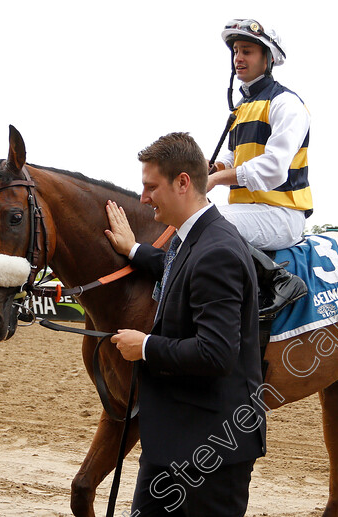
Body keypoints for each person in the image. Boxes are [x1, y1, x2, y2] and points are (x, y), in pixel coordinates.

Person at [105, 132, 265, 516]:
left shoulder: (218, 250)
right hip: (177, 440)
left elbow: (216, 353)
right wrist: (133, 250)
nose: (143, 198)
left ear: (182, 182)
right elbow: (176, 270)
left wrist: (144, 346)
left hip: (209, 451)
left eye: (150, 187)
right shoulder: (189, 239)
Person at [208, 18, 310, 317]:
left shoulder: (286, 104)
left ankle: (280, 279)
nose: (239, 58)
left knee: (205, 222)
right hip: (251, 211)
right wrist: (209, 169)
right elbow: (231, 158)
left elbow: (274, 168)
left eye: (248, 51)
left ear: (268, 58)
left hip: (282, 212)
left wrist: (216, 180)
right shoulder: (243, 107)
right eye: (236, 51)